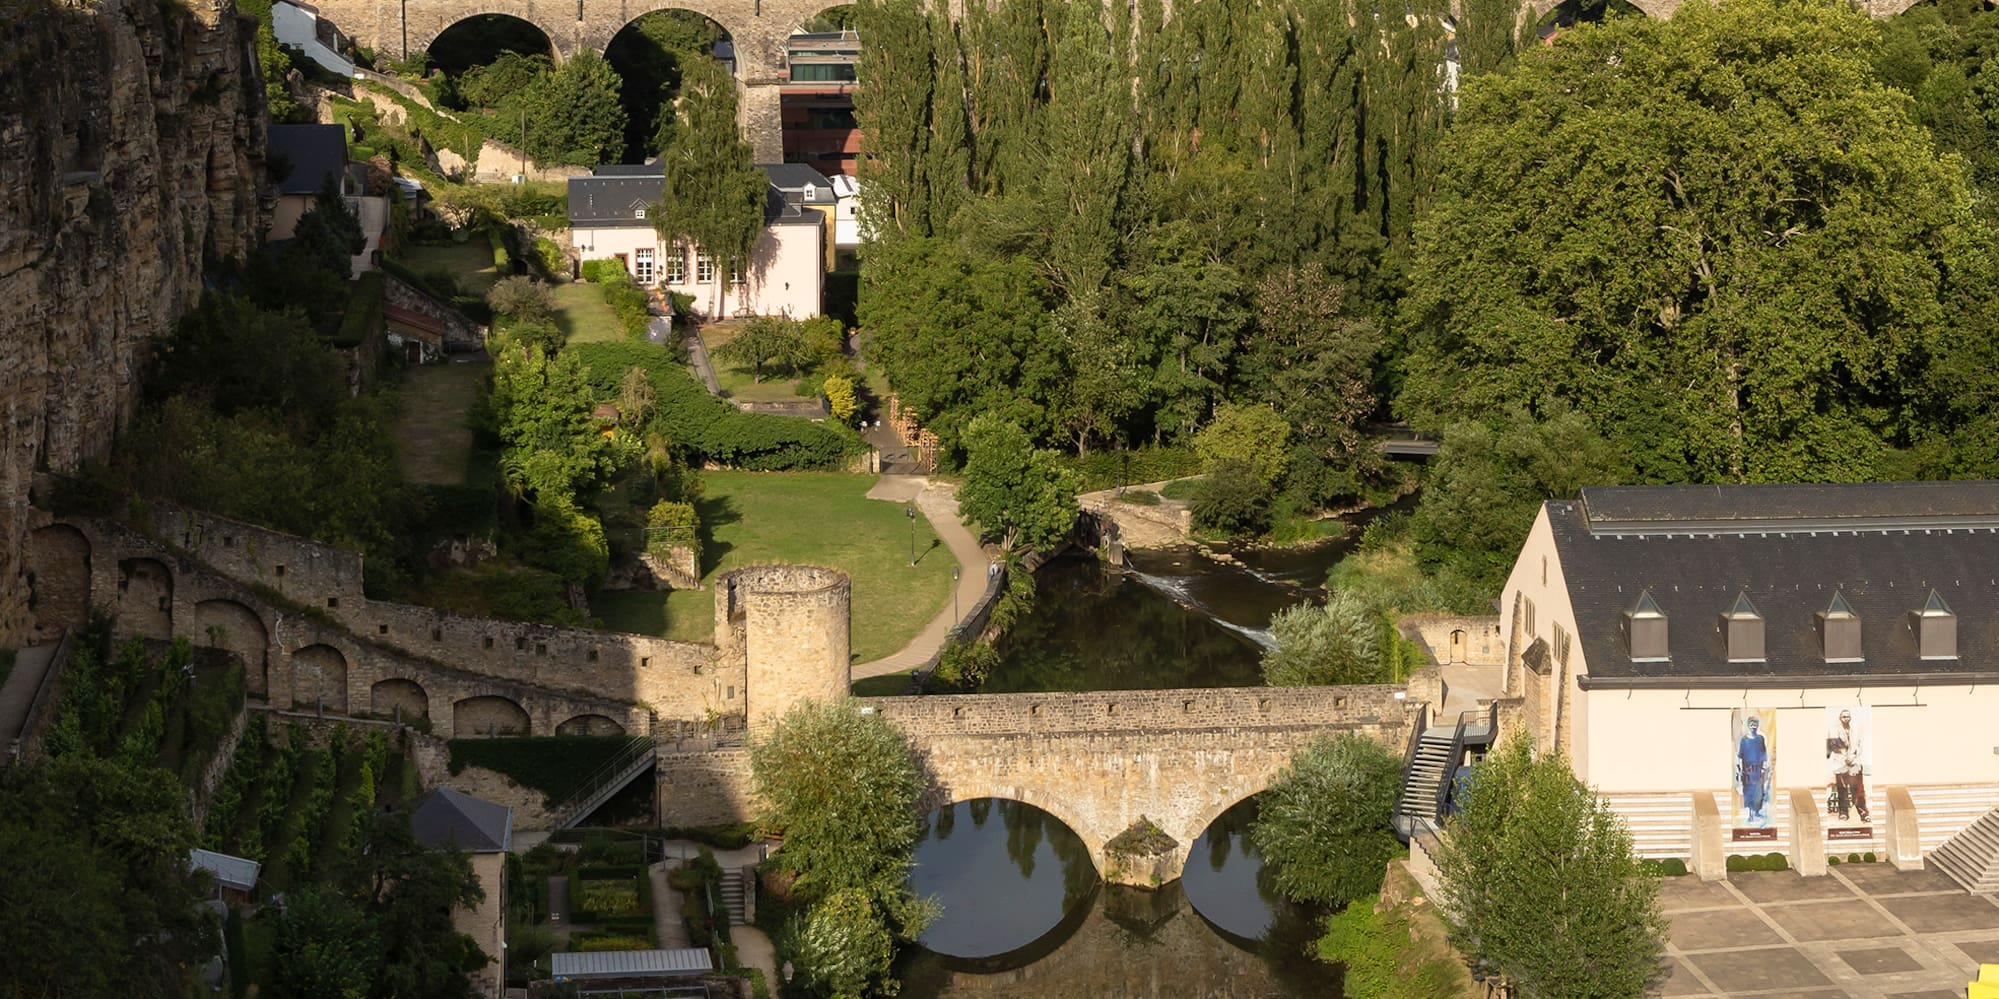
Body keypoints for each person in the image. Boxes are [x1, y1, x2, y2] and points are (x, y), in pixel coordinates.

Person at [1827, 709, 1870, 822]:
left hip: (1854, 763)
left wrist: (1853, 758)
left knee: (1859, 790)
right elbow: (1833, 746)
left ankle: (1863, 813)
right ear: (1840, 718)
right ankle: (1843, 813)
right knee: (1842, 790)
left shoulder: (1855, 730)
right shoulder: (1834, 730)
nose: (1846, 719)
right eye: (1844, 717)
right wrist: (1845, 759)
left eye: (1848, 717)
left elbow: (1859, 746)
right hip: (1840, 764)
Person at [1737, 715, 1770, 826]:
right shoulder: (1744, 740)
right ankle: (1750, 814)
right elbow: (1740, 756)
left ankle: (1756, 812)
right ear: (1748, 725)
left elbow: (1763, 754)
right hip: (1747, 770)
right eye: (1751, 724)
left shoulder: (1760, 739)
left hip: (1758, 770)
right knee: (1749, 792)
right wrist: (1740, 769)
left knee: (1758, 791)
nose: (1753, 726)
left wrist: (1764, 767)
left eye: (1755, 724)